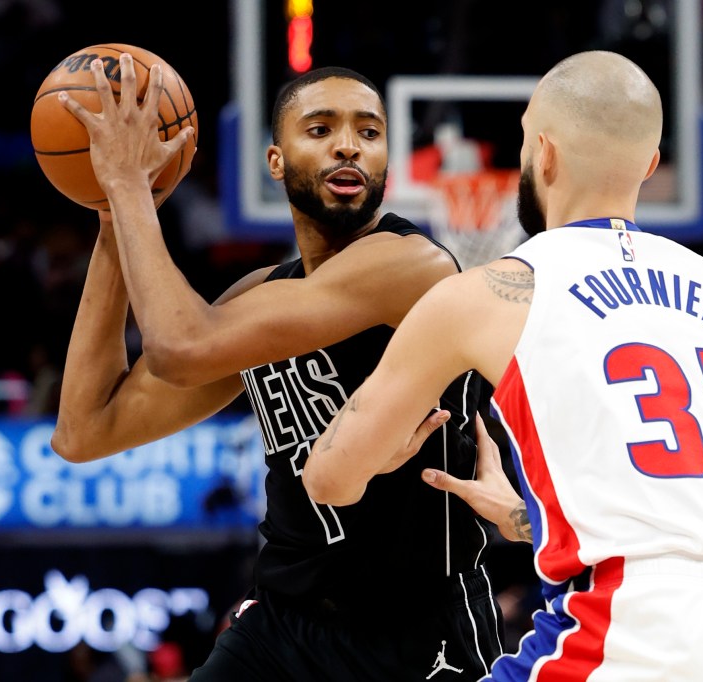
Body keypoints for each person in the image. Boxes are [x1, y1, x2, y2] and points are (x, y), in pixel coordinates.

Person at [303, 50, 703, 680]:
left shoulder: (487, 291)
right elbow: (696, 523)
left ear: (544, 154)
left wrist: (389, 450)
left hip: (640, 628)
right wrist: (521, 514)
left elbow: (329, 481)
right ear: (650, 165)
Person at [52, 58, 503, 681]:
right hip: (282, 626)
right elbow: (85, 431)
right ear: (275, 161)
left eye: (368, 133)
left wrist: (130, 187)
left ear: (386, 168)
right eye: (320, 129)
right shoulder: (262, 295)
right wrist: (111, 215)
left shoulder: (411, 267)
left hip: (412, 634)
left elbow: (181, 347)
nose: (348, 144)